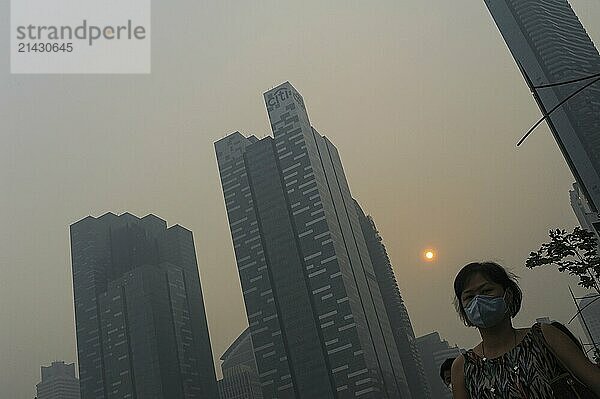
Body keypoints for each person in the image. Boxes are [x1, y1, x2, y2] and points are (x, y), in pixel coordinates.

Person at [450, 261, 600, 398]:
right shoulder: (463, 367)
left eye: (487, 291)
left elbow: (593, 379)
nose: (478, 300)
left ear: (507, 295)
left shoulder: (543, 336)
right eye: (469, 297)